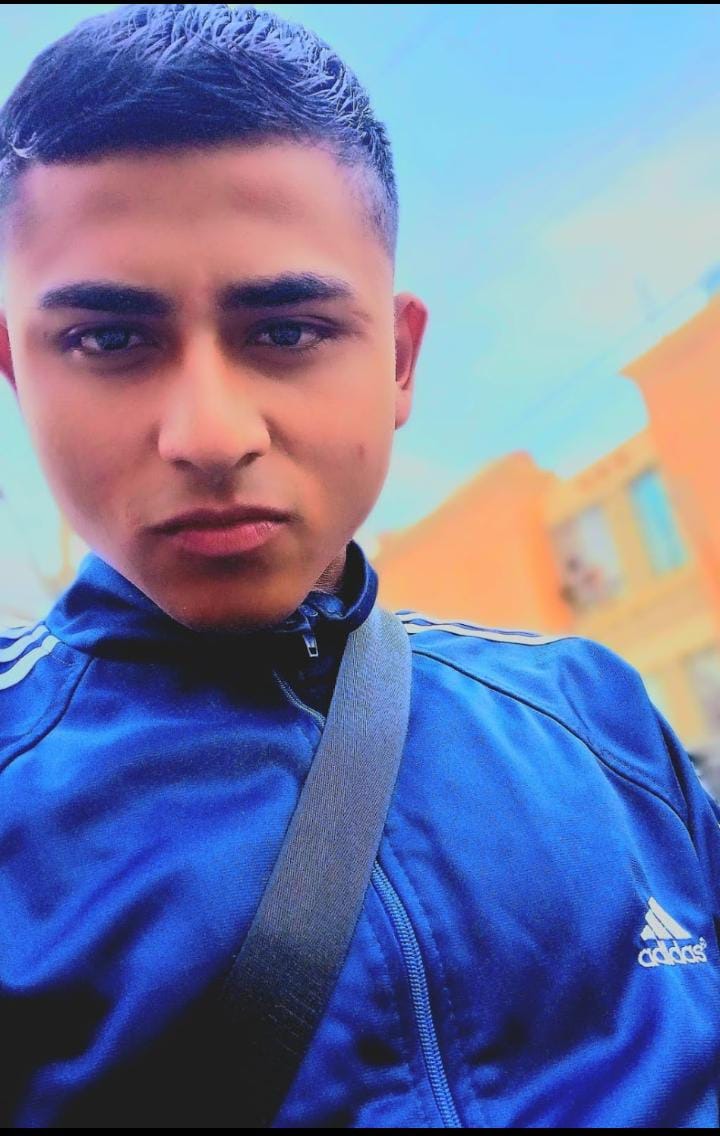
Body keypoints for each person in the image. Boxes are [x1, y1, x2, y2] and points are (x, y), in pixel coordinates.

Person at [0, 4, 718, 1128]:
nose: (209, 434)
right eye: (110, 339)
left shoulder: (595, 718)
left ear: (399, 360)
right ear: (16, 369)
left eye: (286, 330)